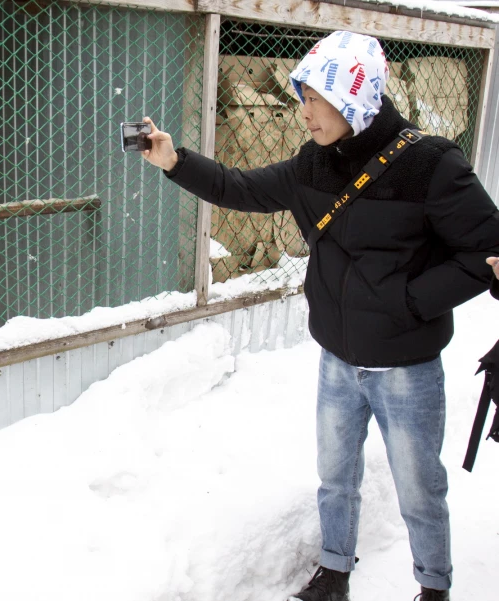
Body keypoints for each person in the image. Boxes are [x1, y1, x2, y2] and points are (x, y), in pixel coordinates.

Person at [142, 30, 499, 601]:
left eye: (314, 98)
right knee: (336, 479)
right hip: (337, 359)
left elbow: (487, 252)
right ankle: (334, 574)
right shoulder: (315, 164)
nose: (303, 111)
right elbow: (243, 188)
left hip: (407, 368)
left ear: (353, 96)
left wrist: (411, 303)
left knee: (419, 489)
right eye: (301, 97)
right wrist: (174, 161)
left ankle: (434, 588)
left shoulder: (431, 165)